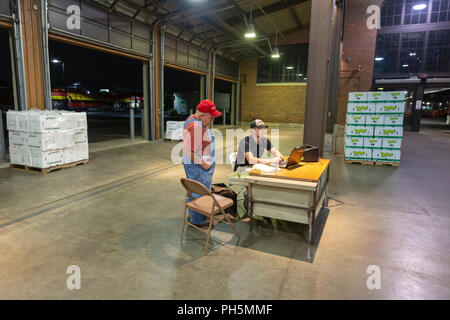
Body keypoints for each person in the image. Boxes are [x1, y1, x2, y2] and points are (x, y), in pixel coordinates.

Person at [182, 100, 222, 228]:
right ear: (202, 114)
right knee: (200, 192)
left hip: (194, 163)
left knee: (194, 190)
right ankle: (199, 221)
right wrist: (204, 163)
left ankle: (194, 215)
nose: (212, 120)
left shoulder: (192, 118)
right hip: (198, 165)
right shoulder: (196, 126)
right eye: (210, 117)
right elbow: (188, 151)